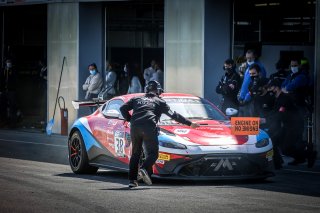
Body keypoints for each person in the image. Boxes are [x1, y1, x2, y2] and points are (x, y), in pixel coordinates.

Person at [119, 80, 200, 188]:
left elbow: (122, 108)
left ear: (146, 89)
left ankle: (132, 181)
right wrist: (190, 124)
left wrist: (130, 119)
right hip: (149, 126)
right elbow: (174, 115)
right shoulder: (159, 101)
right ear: (158, 91)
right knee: (153, 154)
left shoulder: (136, 98)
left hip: (135, 127)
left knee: (135, 154)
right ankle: (143, 169)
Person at [267, 79, 317, 169]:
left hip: (295, 126)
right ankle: (280, 163)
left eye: (271, 87)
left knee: (286, 148)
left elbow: (279, 113)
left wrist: (266, 120)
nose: (269, 90)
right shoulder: (278, 99)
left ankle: (309, 155)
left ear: (276, 88)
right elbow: (274, 112)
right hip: (287, 125)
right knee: (274, 140)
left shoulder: (285, 98)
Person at [238, 49, 267, 116]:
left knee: (249, 121)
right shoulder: (248, 68)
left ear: (254, 57)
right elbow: (245, 83)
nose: (249, 60)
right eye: (247, 58)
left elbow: (259, 83)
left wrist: (247, 97)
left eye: (250, 58)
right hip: (243, 98)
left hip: (252, 99)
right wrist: (241, 96)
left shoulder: (259, 67)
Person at [0, 59, 19, 128]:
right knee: (2, 107)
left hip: (11, 91)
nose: (8, 64)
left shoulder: (13, 71)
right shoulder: (3, 70)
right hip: (4, 91)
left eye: (9, 62)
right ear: (6, 63)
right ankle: (3, 122)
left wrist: (14, 89)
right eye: (7, 62)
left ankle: (12, 124)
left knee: (12, 107)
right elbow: (1, 80)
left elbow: (15, 80)